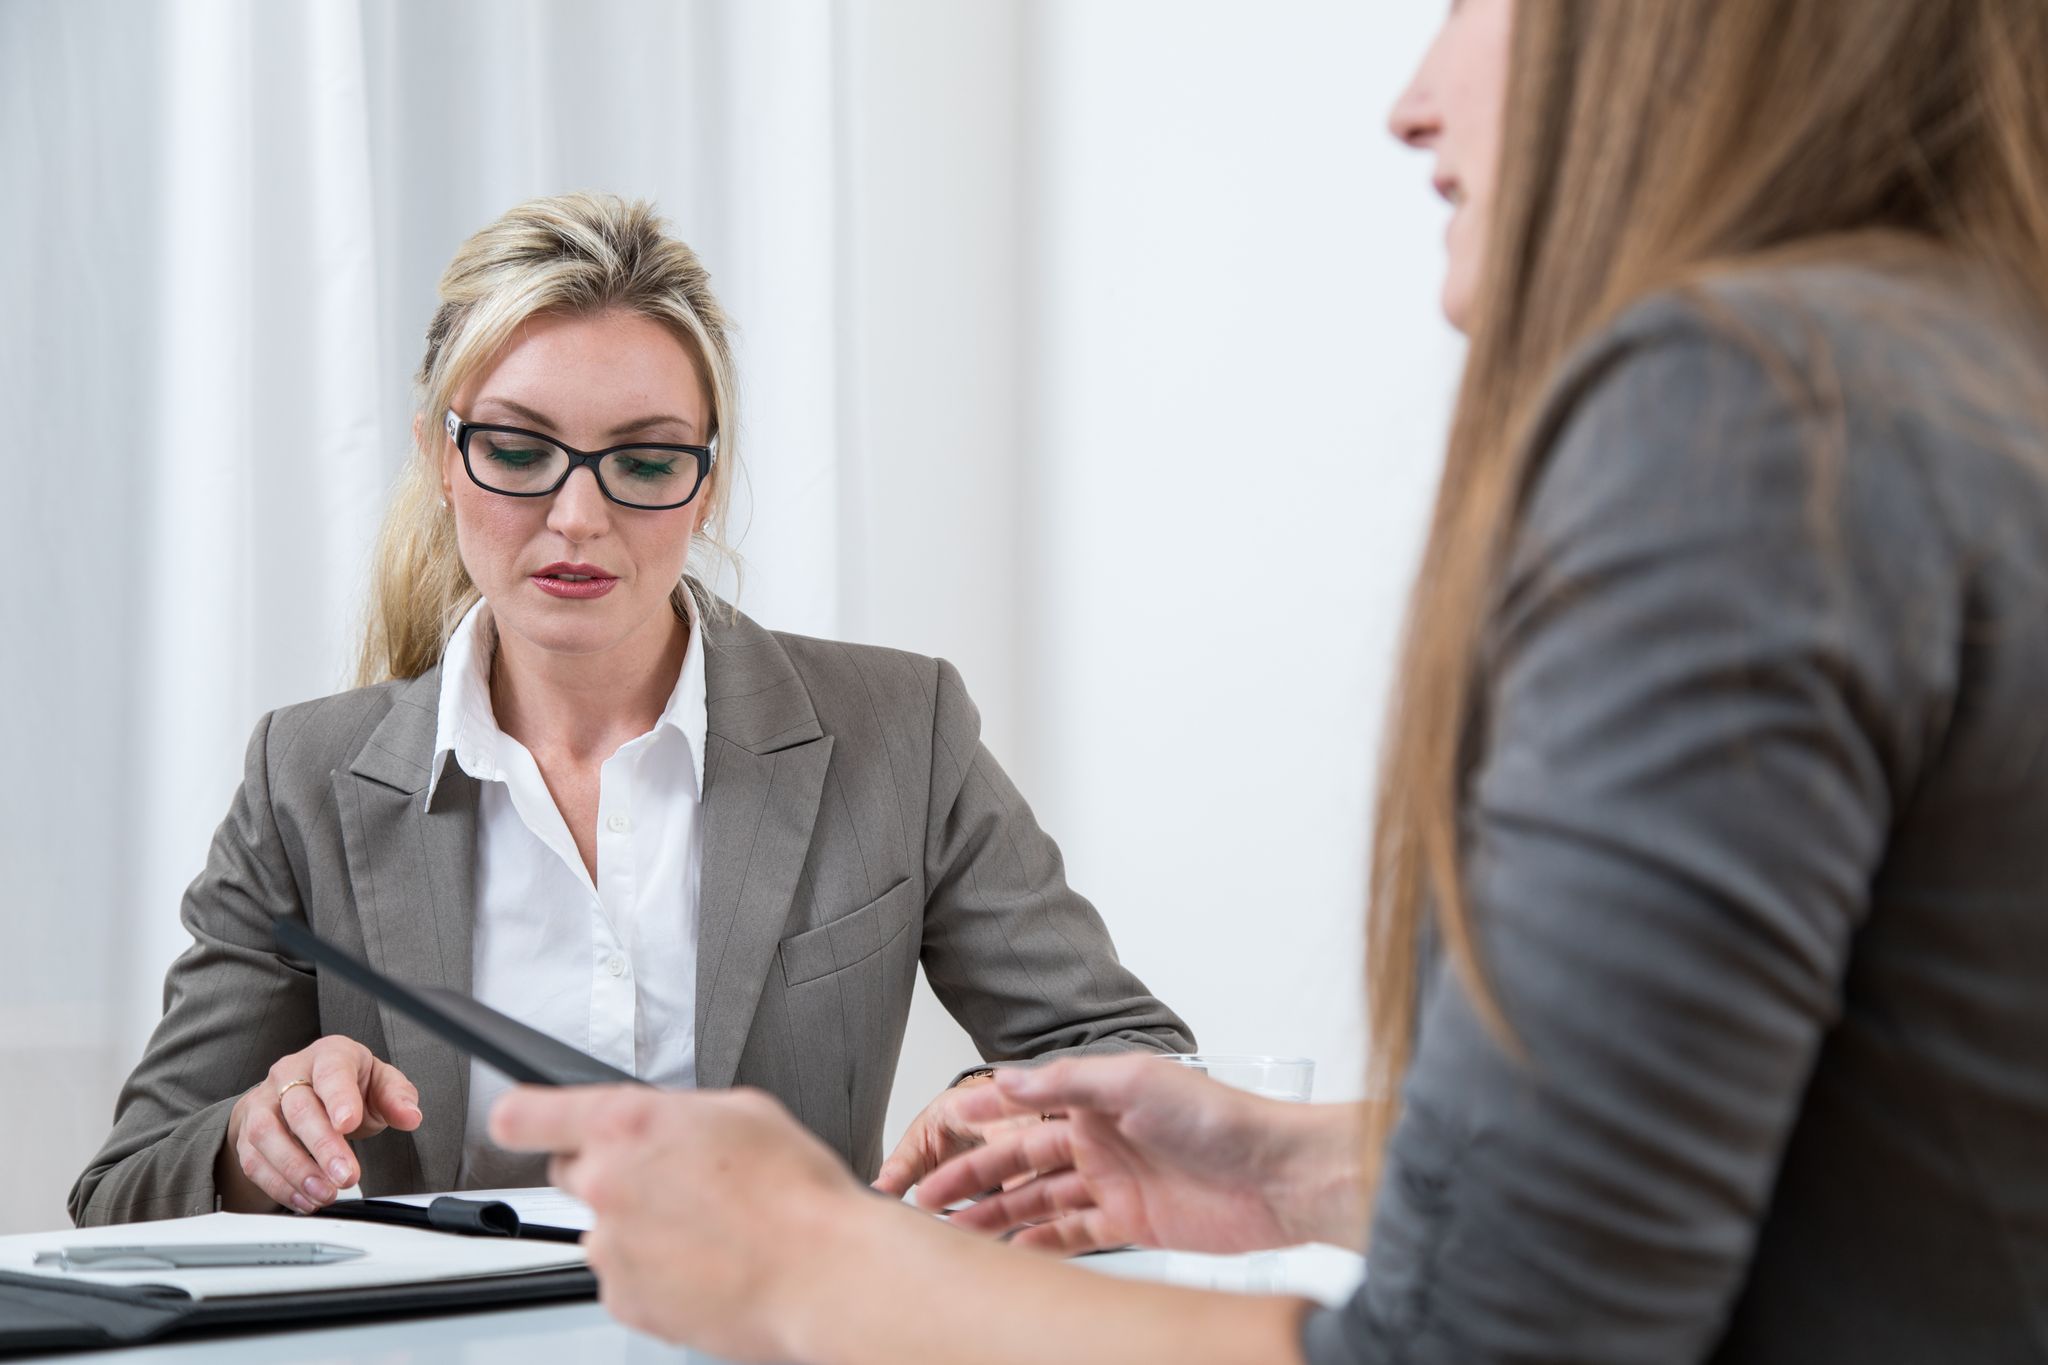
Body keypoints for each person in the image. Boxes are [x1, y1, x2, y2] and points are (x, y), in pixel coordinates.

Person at [489, 0, 2048, 1360]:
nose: (1412, 99)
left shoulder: (1739, 414)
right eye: (520, 449)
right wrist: (1303, 1170)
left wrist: (813, 1270)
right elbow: (1858, 1171)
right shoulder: (1957, 377)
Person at [69, 192, 1192, 1227]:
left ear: (705, 479)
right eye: (516, 450)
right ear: (440, 460)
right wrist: (249, 1141)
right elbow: (123, 1189)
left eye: (644, 463)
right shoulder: (305, 778)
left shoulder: (900, 727)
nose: (575, 517)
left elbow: (1129, 1053)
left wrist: (1002, 1106)